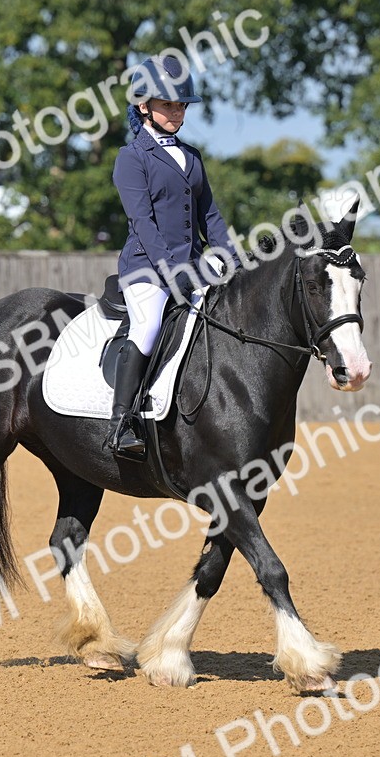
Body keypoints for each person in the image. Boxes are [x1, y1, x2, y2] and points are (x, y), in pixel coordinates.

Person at [106, 54, 241, 459]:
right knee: (147, 327)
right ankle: (121, 423)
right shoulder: (132, 158)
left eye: (181, 105)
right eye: (168, 104)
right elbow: (142, 223)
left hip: (194, 265)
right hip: (147, 268)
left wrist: (232, 259)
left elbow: (211, 216)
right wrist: (172, 271)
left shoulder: (193, 157)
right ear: (144, 105)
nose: (177, 112)